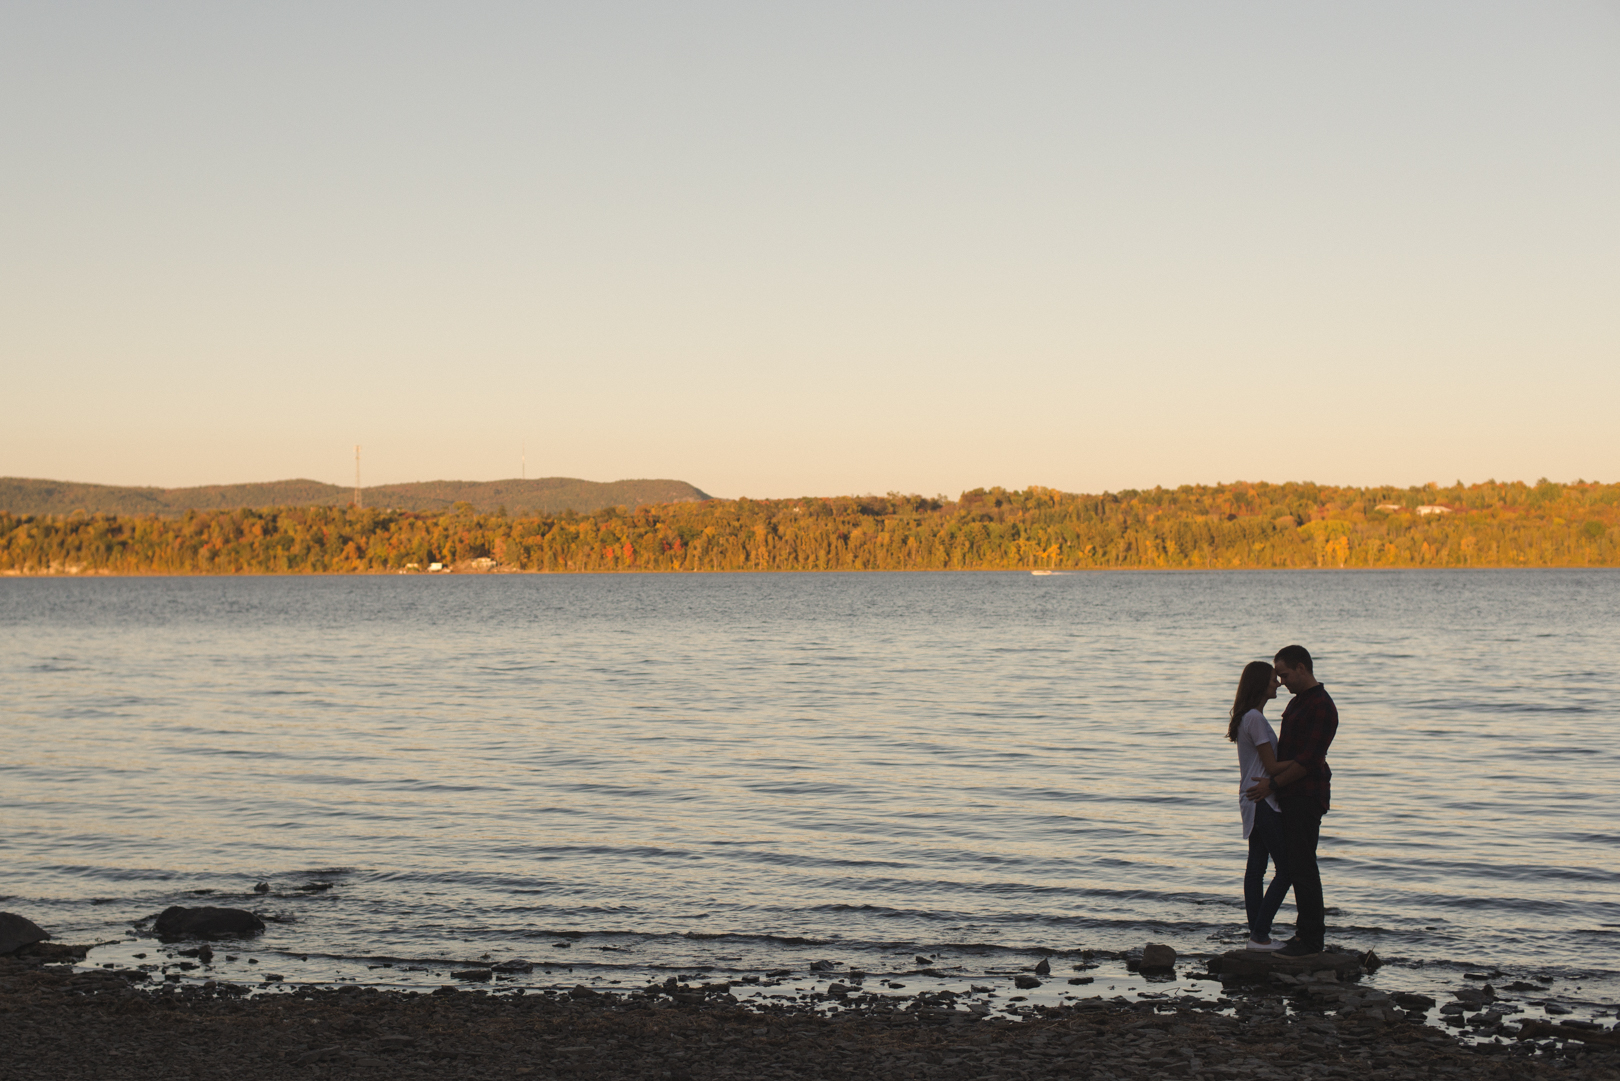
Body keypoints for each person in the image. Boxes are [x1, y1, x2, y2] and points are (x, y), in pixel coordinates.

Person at [1246, 644, 1338, 957]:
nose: (1281, 682)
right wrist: (1274, 786)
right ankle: (1275, 934)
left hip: (1306, 795)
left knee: (1302, 866)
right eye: (1278, 676)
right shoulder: (1299, 703)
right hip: (1289, 795)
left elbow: (1309, 760)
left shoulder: (1321, 705)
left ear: (1302, 668)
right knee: (1296, 865)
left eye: (1285, 674)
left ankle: (1310, 939)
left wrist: (1272, 783)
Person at [1228, 661, 1291, 951]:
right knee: (1287, 869)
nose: (1278, 683)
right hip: (1262, 800)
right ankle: (1260, 934)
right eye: (1272, 679)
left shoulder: (1248, 718)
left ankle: (1257, 936)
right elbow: (1272, 766)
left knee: (1256, 869)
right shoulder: (1254, 718)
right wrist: (1309, 762)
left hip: (1252, 798)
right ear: (1259, 684)